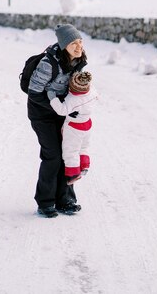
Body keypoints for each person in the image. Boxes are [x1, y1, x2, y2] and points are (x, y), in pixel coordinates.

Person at [27, 23, 87, 218]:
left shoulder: (78, 60)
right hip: (42, 113)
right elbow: (34, 93)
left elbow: (76, 89)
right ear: (63, 46)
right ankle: (45, 202)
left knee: (67, 153)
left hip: (62, 111)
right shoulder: (48, 63)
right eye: (73, 44)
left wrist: (76, 108)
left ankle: (65, 200)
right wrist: (58, 108)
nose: (78, 47)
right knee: (52, 155)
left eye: (80, 42)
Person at [47, 71, 97, 184]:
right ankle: (84, 165)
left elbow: (61, 110)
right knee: (84, 147)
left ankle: (73, 173)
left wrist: (53, 98)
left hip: (75, 128)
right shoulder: (92, 91)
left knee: (71, 150)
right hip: (87, 123)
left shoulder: (72, 99)